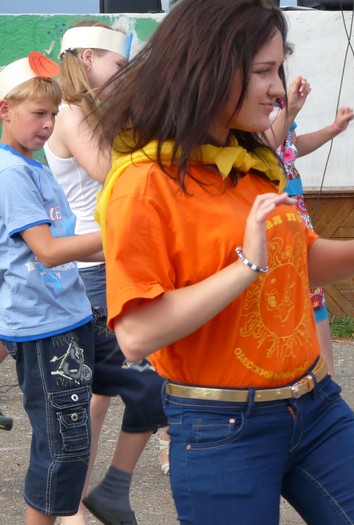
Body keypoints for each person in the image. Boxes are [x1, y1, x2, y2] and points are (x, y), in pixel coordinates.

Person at [92, 0, 354, 523]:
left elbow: (300, 262)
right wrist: (245, 266)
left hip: (316, 406)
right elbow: (136, 333)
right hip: (220, 425)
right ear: (208, 69)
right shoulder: (143, 184)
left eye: (278, 70)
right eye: (263, 71)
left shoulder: (253, 164)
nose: (278, 89)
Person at [46, 22, 168, 525]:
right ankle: (83, 500)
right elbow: (109, 171)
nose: (124, 74)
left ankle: (99, 494)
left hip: (110, 259)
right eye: (119, 64)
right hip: (91, 267)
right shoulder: (69, 111)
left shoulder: (93, 110)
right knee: (122, 385)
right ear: (89, 58)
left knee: (102, 391)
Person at [0, 53, 102, 525]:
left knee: (143, 385)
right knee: (62, 448)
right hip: (46, 327)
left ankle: (113, 489)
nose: (48, 124)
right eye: (38, 113)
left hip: (69, 312)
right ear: (5, 110)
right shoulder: (11, 173)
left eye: (54, 114)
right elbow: (47, 251)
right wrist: (119, 236)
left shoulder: (31, 166)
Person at [265, 73, 354, 377]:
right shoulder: (245, 107)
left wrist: (334, 128)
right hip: (268, 206)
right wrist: (290, 110)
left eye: (276, 68)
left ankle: (327, 376)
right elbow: (264, 147)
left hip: (295, 205)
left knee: (312, 289)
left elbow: (293, 145)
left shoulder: (280, 103)